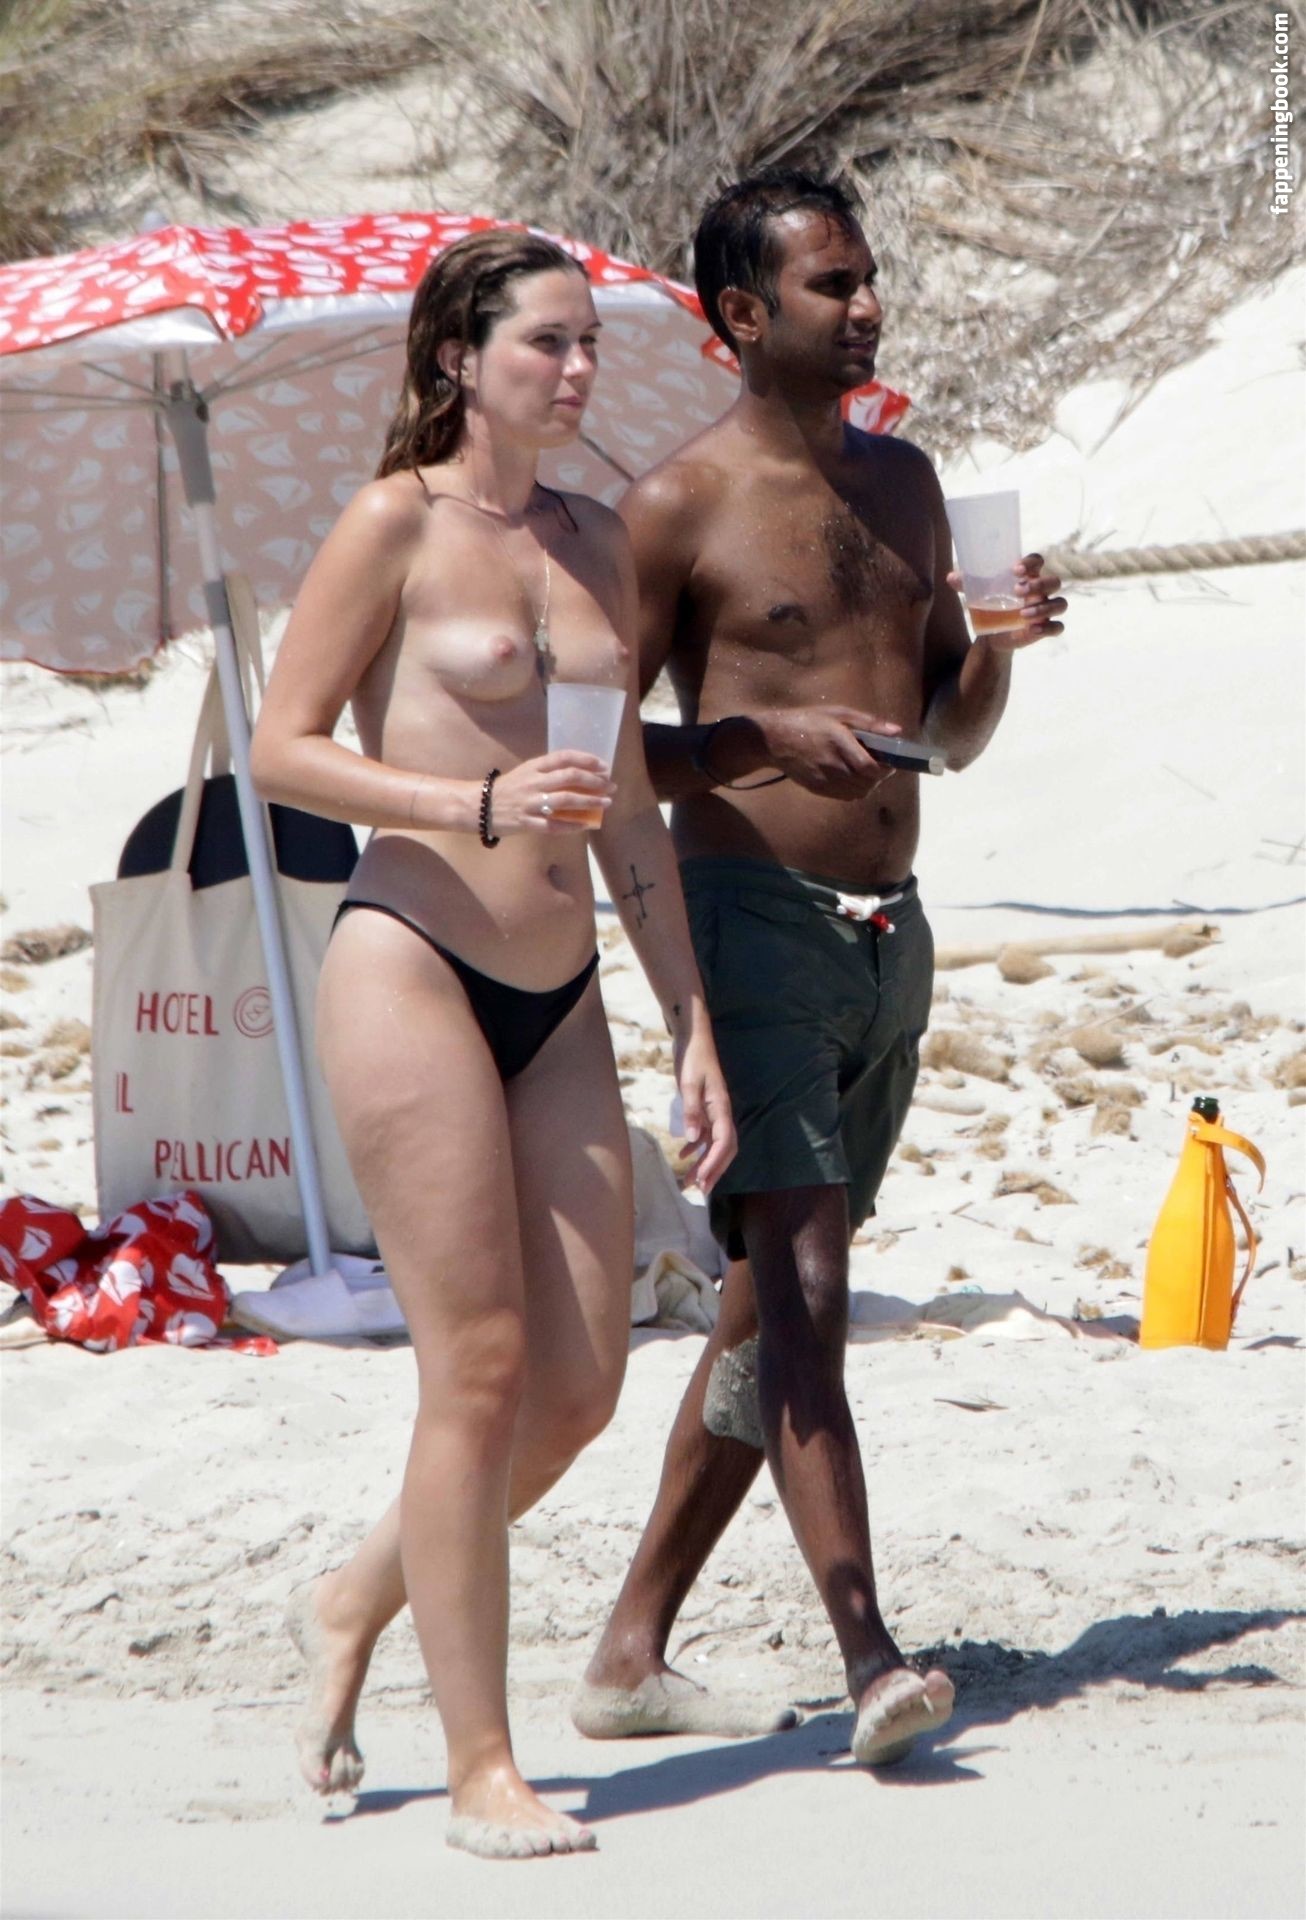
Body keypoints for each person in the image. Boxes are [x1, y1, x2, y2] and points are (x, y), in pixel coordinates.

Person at [570, 169, 1067, 1766]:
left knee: (760, 1312)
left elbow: (949, 740)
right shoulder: (675, 505)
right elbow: (594, 755)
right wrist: (753, 739)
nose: (865, 306)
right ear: (740, 312)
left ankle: (628, 1652)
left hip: (885, 935)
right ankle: (869, 1658)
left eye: (865, 278)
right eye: (829, 285)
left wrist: (996, 647)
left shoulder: (907, 485)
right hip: (750, 922)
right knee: (802, 1299)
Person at [249, 229, 734, 1859]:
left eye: (590, 342)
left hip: (562, 986)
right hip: (413, 964)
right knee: (474, 1370)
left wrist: (690, 1023)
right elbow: (281, 751)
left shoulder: (596, 541)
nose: (578, 368)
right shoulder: (394, 522)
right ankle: (480, 1768)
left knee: (580, 1383)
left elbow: (630, 812)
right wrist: (468, 798)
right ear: (459, 358)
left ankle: (353, 1595)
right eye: (545, 341)